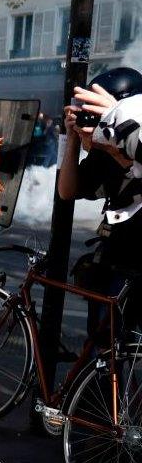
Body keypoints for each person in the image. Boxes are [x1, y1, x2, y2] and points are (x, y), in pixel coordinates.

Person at [58, 67, 142, 339]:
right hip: (112, 264)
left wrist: (115, 137)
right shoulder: (102, 157)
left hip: (136, 267)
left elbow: (132, 165)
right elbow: (67, 190)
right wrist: (73, 139)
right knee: (103, 354)